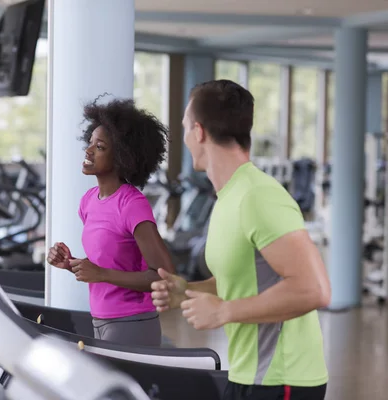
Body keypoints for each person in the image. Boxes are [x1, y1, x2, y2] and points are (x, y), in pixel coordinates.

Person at [151, 80, 331, 399]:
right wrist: (188, 290)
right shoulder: (229, 197)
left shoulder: (258, 196)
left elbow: (314, 289)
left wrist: (223, 312)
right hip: (249, 372)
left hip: (282, 379)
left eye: (184, 128)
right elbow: (245, 279)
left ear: (199, 131)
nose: (184, 138)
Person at [47, 97, 175, 347]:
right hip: (100, 320)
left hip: (133, 323)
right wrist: (71, 264)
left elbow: (164, 276)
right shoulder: (88, 201)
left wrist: (101, 273)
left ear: (121, 157)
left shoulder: (132, 204)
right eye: (90, 143)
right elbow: (106, 266)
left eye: (100, 147)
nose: (89, 150)